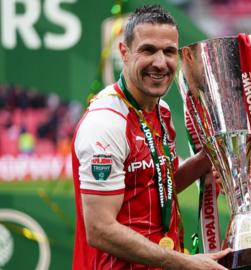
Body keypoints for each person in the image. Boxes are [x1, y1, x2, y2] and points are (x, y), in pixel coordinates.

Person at [71, 5, 229, 270]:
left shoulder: (161, 111)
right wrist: (184, 263)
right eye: (148, 50)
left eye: (168, 52)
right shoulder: (106, 122)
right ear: (124, 52)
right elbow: (100, 228)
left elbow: (157, 184)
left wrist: (211, 155)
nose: (160, 62)